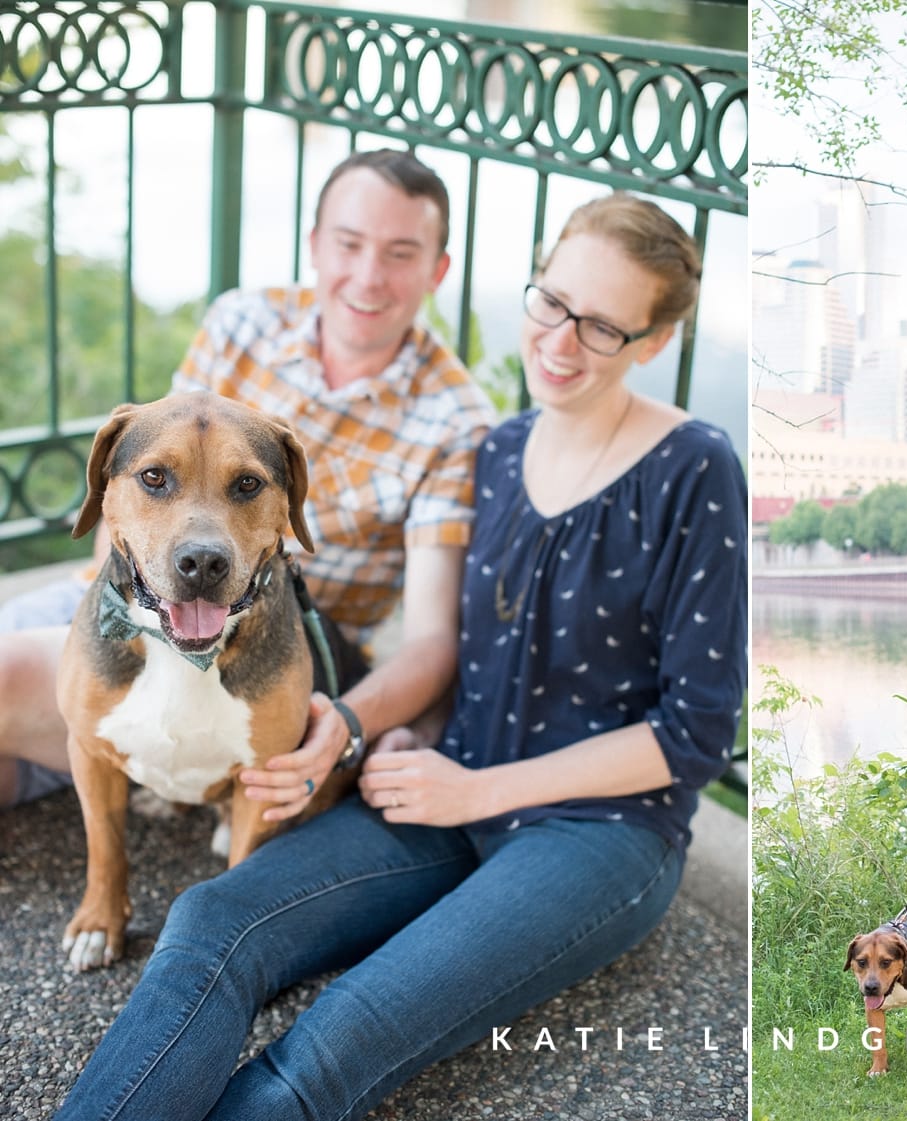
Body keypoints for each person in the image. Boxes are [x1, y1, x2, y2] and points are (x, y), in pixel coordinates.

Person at [54, 191, 748, 1119]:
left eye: (604, 327)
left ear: (654, 343)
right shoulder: (491, 451)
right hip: (439, 785)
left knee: (340, 1037)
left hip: (598, 830)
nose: (560, 340)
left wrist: (479, 790)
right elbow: (455, 647)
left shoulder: (697, 466)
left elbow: (696, 737)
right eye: (551, 303)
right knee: (211, 921)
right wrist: (386, 730)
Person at [0, 148, 497, 817]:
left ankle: (128, 772)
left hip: (271, 655)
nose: (368, 276)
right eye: (349, 243)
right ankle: (100, 764)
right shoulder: (244, 320)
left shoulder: (457, 421)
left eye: (401, 253)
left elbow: (434, 638)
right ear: (315, 244)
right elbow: (143, 483)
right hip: (133, 603)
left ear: (438, 271)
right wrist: (112, 624)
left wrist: (345, 723)